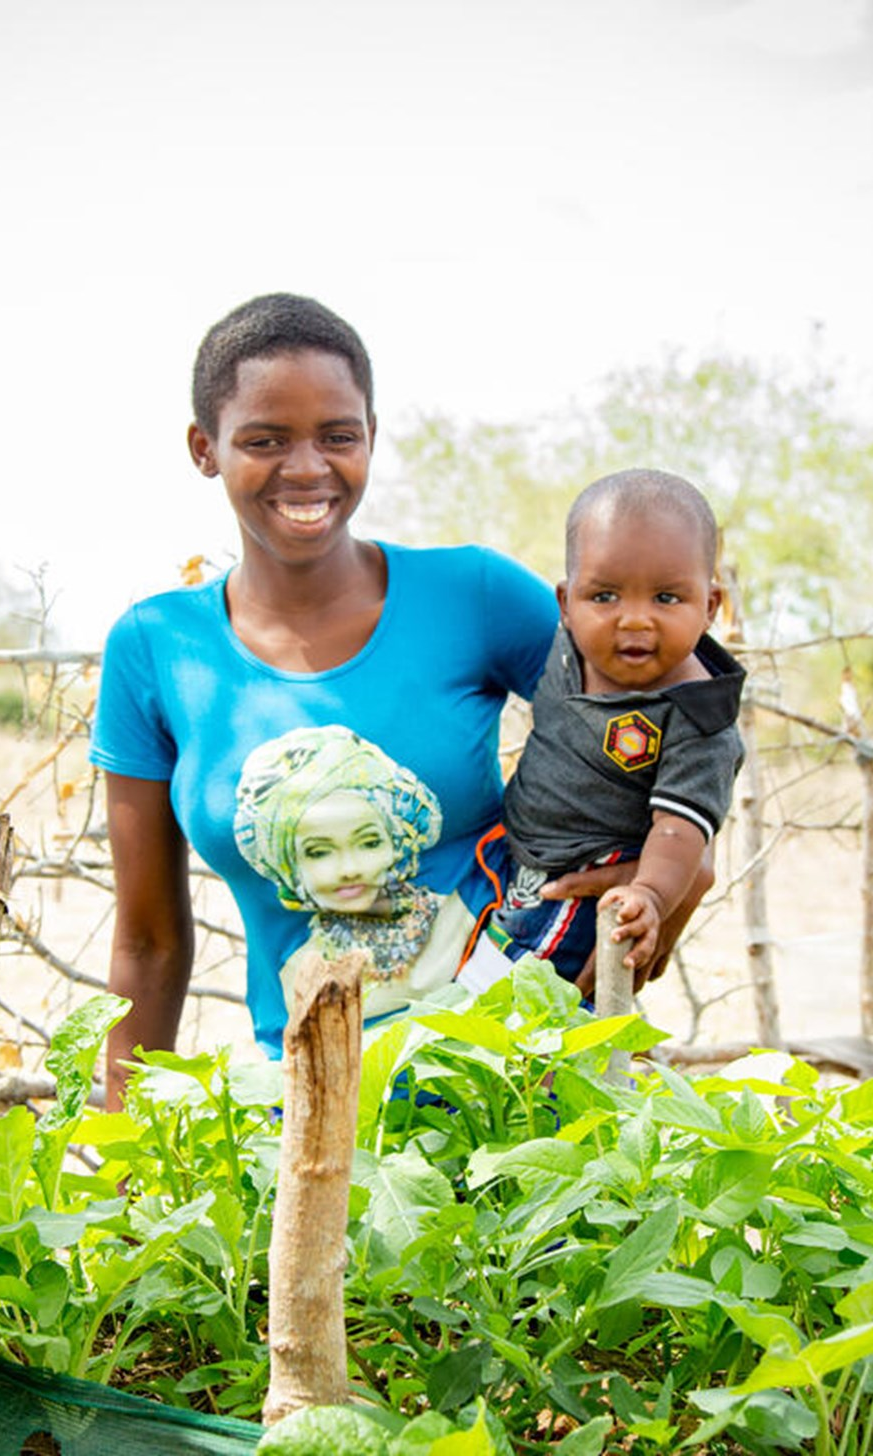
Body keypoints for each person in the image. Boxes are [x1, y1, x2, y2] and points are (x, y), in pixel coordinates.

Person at [89, 293, 557, 1107]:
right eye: (265, 440)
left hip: (516, 1097)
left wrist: (677, 866)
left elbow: (651, 717)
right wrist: (123, 1159)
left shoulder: (475, 595)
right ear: (205, 449)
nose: (307, 468)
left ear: (371, 436)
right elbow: (151, 943)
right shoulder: (158, 648)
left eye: (338, 436)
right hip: (304, 1112)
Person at [484, 468, 746, 996]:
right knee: (478, 983)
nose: (633, 620)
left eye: (667, 599)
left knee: (531, 1011)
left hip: (590, 887)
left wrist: (649, 894)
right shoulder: (567, 648)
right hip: (513, 864)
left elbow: (680, 829)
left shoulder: (697, 717)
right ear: (566, 603)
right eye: (604, 597)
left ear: (710, 607)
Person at [232, 725, 480, 1023]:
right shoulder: (298, 973)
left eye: (369, 842)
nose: (349, 869)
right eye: (319, 852)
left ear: (397, 841)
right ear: (289, 867)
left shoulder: (465, 913)